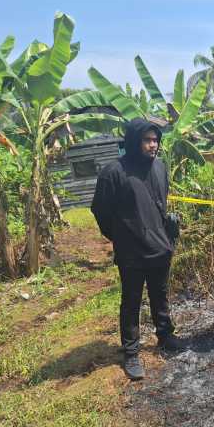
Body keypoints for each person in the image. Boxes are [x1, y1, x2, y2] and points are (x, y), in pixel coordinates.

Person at [91, 118, 183, 380]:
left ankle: (165, 335)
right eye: (147, 140)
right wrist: (120, 235)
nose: (152, 145)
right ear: (134, 141)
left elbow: (160, 203)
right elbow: (100, 210)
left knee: (160, 294)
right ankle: (131, 352)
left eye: (155, 140)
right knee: (131, 301)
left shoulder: (159, 167)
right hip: (131, 251)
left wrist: (165, 233)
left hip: (160, 246)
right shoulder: (114, 172)